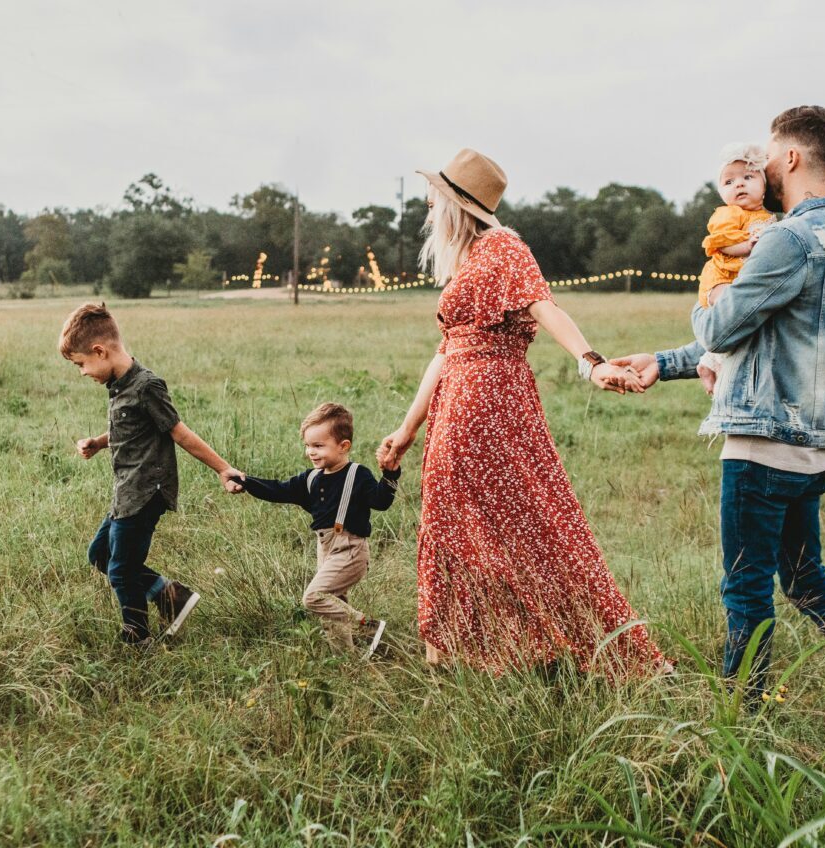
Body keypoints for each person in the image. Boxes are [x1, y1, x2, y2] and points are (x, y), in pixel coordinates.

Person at [611, 107, 825, 730]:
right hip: (815, 449)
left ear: (793, 159)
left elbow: (724, 325)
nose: (761, 167)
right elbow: (763, 335)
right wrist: (665, 362)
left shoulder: (786, 238)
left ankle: (739, 719)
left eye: (769, 155)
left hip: (763, 444)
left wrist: (710, 298)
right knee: (807, 579)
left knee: (745, 587)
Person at [376, 148, 668, 676]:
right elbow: (445, 352)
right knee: (457, 523)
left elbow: (544, 306)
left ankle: (551, 644)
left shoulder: (503, 247)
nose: (426, 205)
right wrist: (406, 428)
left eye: (434, 197)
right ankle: (465, 649)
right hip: (457, 402)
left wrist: (590, 362)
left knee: (528, 522)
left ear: (456, 204)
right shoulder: (467, 259)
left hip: (488, 401)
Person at [60, 303, 245, 648]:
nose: (82, 372)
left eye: (81, 364)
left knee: (121, 569)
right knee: (100, 555)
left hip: (146, 492)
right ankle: (171, 597)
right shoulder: (118, 385)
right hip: (126, 491)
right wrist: (100, 443)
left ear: (100, 351)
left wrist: (224, 469)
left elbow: (179, 433)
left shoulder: (147, 386)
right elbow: (129, 429)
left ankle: (137, 637)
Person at [230, 403, 398, 658]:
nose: (311, 452)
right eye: (308, 445)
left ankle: (367, 627)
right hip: (326, 549)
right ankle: (346, 662)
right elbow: (278, 490)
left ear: (344, 446)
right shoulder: (311, 479)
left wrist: (390, 473)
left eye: (319, 446)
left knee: (314, 597)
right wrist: (246, 482)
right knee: (332, 610)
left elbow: (381, 502)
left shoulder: (357, 474)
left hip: (351, 550)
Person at [695, 143, 776, 391]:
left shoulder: (767, 217)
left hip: (739, 279)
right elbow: (721, 242)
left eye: (748, 177)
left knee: (743, 321)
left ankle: (709, 362)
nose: (738, 184)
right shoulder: (729, 213)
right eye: (729, 182)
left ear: (764, 185)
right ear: (721, 192)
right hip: (720, 278)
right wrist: (747, 246)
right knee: (732, 314)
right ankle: (712, 364)